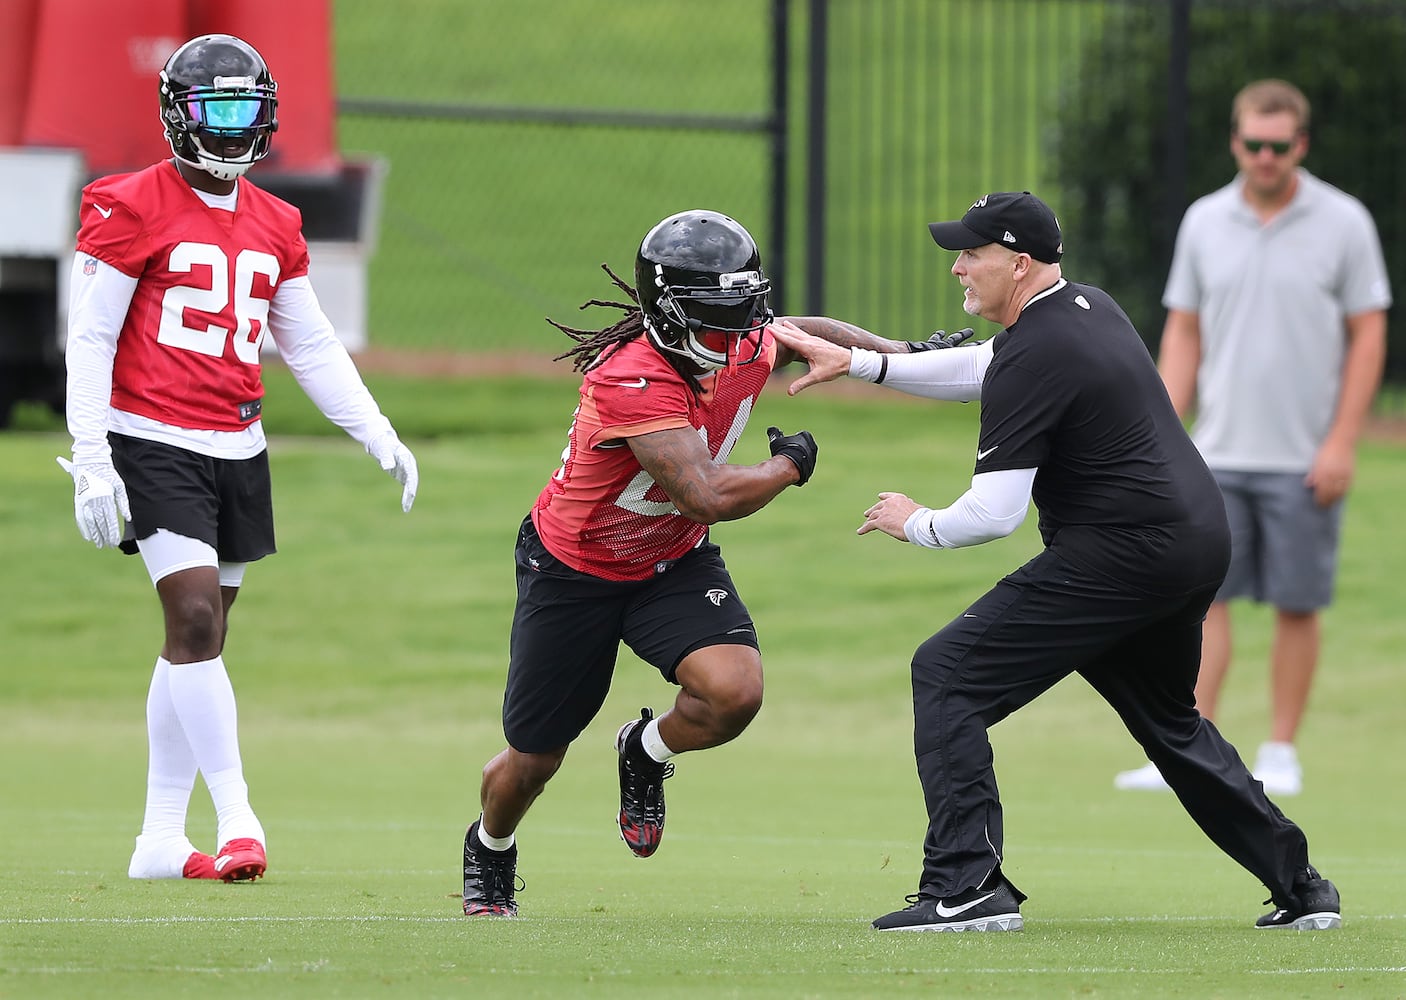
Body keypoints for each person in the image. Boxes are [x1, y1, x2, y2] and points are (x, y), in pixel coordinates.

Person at [772, 190, 1340, 933]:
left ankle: (966, 886)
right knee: (1170, 721)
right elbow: (981, 366)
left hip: (1124, 554)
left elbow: (994, 515)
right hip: (1192, 541)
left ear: (1020, 262)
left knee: (945, 675)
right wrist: (859, 363)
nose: (959, 269)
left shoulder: (1040, 348)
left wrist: (917, 524)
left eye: (972, 254)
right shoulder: (1084, 308)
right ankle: (1301, 888)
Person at [459, 208, 901, 917]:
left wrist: (896, 354)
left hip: (669, 561)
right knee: (533, 760)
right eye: (715, 317)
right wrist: (788, 466)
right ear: (666, 315)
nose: (738, 336)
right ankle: (490, 847)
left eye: (742, 314)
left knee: (735, 692)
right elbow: (704, 495)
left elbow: (805, 331)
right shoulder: (632, 376)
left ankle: (645, 750)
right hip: (577, 570)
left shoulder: (741, 338)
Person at [59, 34, 418, 883]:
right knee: (192, 623)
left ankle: (156, 838)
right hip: (152, 436)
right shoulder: (126, 202)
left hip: (237, 441)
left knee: (200, 638)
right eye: (214, 110)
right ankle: (238, 816)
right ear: (177, 115)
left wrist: (373, 427)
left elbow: (310, 341)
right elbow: (91, 335)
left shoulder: (276, 220)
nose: (229, 129)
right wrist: (90, 453)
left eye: (243, 110)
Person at [1114, 79, 1390, 797]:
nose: (1265, 158)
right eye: (1252, 144)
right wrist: (1165, 433)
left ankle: (1281, 751)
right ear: (1235, 141)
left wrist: (1342, 442)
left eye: (1280, 146)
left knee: (1298, 602)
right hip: (1215, 453)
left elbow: (1368, 335)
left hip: (1304, 455)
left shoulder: (1345, 222)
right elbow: (1185, 330)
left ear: (1300, 144)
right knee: (1200, 602)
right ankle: (1189, 746)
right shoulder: (1205, 220)